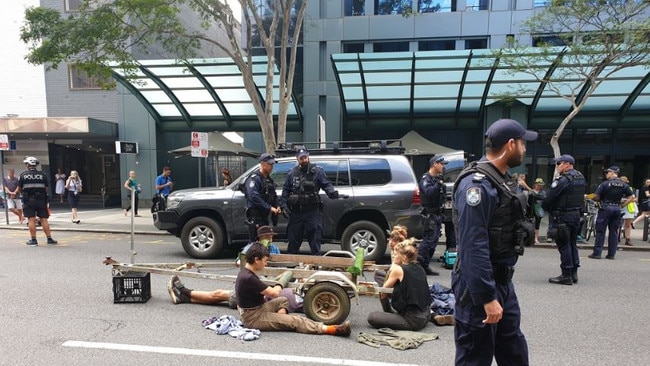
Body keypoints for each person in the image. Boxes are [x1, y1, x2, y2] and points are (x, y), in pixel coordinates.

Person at [452, 118, 536, 365]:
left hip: (501, 280)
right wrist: (487, 297)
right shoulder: (476, 185)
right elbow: (472, 245)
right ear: (511, 144)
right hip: (479, 286)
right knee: (475, 356)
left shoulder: (501, 179)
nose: (525, 149)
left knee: (514, 350)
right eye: (523, 143)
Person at [235, 242, 351, 336]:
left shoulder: (245, 272)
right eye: (265, 261)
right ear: (256, 259)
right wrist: (282, 282)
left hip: (257, 309)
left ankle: (282, 321)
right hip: (253, 317)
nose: (265, 264)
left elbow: (270, 293)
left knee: (283, 300)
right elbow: (274, 293)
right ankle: (332, 329)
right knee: (296, 320)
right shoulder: (248, 278)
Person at [168, 226, 289, 309]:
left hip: (262, 288)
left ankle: (184, 295)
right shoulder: (253, 248)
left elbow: (281, 266)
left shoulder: (274, 249)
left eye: (271, 236)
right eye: (267, 237)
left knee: (219, 295)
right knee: (219, 295)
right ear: (260, 238)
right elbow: (239, 261)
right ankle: (184, 294)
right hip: (253, 286)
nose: (270, 239)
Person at [280, 148, 341, 255]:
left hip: (312, 211)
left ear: (308, 156)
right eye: (301, 158)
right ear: (297, 159)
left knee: (315, 240)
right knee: (293, 240)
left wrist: (331, 192)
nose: (304, 160)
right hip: (296, 212)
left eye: (305, 157)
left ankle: (316, 265)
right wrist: (284, 206)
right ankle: (290, 266)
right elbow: (285, 191)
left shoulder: (317, 171)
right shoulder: (292, 173)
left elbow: (326, 184)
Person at [367, 237, 432, 331]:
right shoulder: (419, 267)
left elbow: (383, 291)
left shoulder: (398, 269)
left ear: (404, 257)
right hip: (426, 313)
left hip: (413, 320)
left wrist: (388, 312)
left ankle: (396, 316)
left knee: (372, 317)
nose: (393, 256)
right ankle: (434, 316)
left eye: (395, 254)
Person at [542, 155, 586, 285]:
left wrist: (546, 208)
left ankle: (566, 274)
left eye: (559, 163)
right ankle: (573, 272)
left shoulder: (564, 179)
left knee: (564, 244)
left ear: (567, 164)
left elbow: (550, 197)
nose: (557, 166)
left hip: (563, 216)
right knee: (572, 243)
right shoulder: (580, 177)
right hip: (576, 215)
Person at [589, 166, 635, 260]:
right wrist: (623, 205)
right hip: (617, 208)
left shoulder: (605, 184)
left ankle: (597, 253)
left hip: (605, 208)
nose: (607, 174)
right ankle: (611, 254)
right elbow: (632, 197)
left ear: (613, 173)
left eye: (608, 172)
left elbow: (596, 196)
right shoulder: (624, 185)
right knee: (614, 232)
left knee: (600, 231)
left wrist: (590, 197)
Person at [418, 155, 449, 276]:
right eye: (442, 164)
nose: (444, 166)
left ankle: (425, 266)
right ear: (435, 164)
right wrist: (439, 183)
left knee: (434, 242)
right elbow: (429, 193)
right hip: (429, 215)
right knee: (428, 241)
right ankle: (419, 265)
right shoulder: (426, 178)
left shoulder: (435, 179)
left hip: (437, 215)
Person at [18, 157, 58, 246]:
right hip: (41, 200)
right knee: (44, 219)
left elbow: (19, 188)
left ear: (28, 165)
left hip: (29, 200)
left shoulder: (23, 175)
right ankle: (49, 239)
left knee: (31, 219)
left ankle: (33, 240)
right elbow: (46, 188)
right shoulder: (43, 175)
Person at [244, 153, 281, 242]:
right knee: (256, 243)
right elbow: (254, 197)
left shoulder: (268, 179)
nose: (272, 167)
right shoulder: (255, 179)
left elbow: (273, 195)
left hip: (264, 216)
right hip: (256, 216)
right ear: (262, 163)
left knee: (265, 242)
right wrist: (269, 208)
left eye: (272, 164)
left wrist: (277, 206)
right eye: (269, 164)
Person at [618, 176, 636, 247]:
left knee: (627, 225)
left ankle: (628, 239)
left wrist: (627, 200)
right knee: (617, 224)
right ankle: (615, 238)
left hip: (628, 208)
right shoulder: (617, 188)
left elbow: (635, 199)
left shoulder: (630, 189)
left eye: (624, 182)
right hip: (619, 206)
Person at [528, 178, 546, 244]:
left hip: (539, 209)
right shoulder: (531, 192)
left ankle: (536, 238)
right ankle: (531, 237)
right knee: (531, 223)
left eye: (541, 185)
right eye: (538, 185)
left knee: (537, 224)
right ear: (535, 185)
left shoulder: (543, 192)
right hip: (532, 209)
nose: (540, 187)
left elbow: (544, 198)